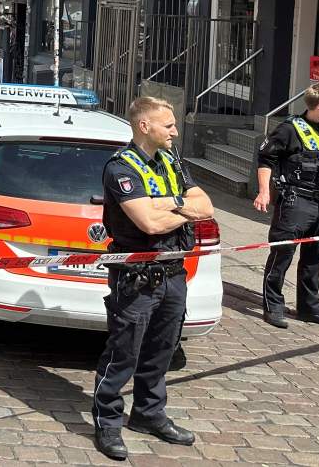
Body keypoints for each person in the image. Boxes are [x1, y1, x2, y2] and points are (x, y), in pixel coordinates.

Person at [90, 96, 214, 461]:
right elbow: (149, 224)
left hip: (174, 273)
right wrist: (182, 206)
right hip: (137, 278)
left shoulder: (172, 160)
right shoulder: (121, 168)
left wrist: (168, 203)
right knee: (123, 354)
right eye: (169, 125)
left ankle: (148, 414)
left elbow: (207, 207)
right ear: (145, 126)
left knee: (163, 351)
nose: (175, 131)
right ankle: (107, 422)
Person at [254, 81, 319, 330]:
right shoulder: (288, 129)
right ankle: (273, 306)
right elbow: (266, 158)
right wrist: (264, 192)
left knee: (315, 258)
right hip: (296, 202)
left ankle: (310, 309)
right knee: (282, 255)